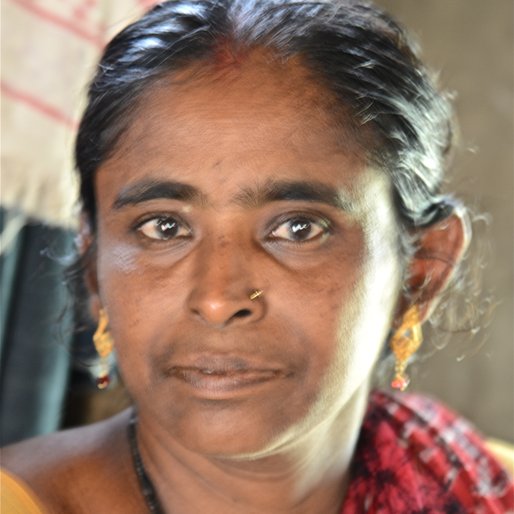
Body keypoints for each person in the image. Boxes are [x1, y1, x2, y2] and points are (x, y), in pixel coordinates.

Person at [2, 0, 513, 512]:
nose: (219, 299)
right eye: (164, 227)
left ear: (422, 271)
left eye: (296, 228)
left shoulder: (489, 491)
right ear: (93, 268)